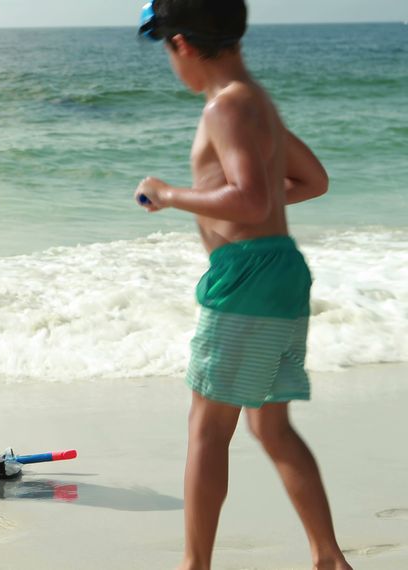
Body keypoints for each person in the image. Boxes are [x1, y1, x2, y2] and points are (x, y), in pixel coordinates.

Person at [134, 2, 352, 569]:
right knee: (272, 426)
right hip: (283, 273)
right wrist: (240, 206)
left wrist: (170, 194)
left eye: (165, 50)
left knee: (206, 431)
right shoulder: (257, 102)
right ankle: (328, 557)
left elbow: (252, 199)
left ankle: (194, 565)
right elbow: (312, 180)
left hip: (247, 278)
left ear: (180, 43)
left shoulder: (225, 107)